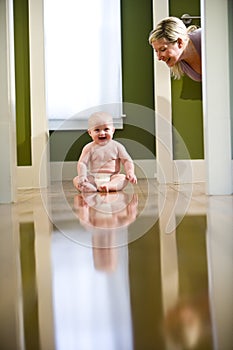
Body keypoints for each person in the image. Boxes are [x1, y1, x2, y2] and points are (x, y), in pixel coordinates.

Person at [73, 111, 137, 192]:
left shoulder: (117, 146)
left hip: (112, 177)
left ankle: (109, 186)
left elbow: (127, 160)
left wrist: (130, 172)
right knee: (77, 179)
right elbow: (82, 163)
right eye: (97, 130)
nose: (102, 133)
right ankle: (89, 187)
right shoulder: (89, 148)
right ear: (90, 132)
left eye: (106, 129)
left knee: (122, 178)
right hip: (94, 177)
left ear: (113, 130)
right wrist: (82, 176)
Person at [148, 16, 202, 81]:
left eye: (163, 49)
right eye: (156, 51)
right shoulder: (180, 61)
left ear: (179, 42)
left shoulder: (204, 37)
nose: (159, 58)